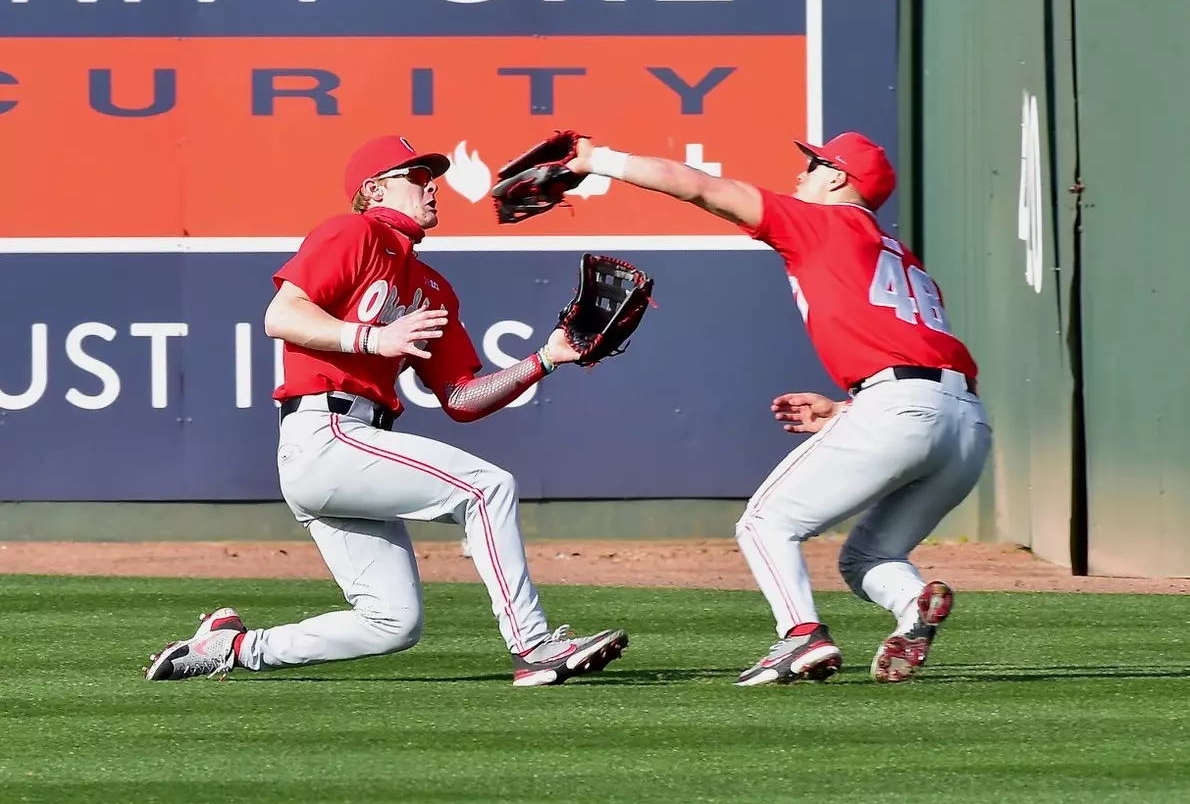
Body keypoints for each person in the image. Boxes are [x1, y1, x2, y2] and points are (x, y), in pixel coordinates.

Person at [144, 135, 629, 687]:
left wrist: (545, 358)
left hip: (351, 454)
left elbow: (461, 398)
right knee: (486, 488)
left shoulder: (432, 288)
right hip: (325, 432)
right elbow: (281, 315)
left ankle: (232, 648)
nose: (432, 187)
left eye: (433, 177)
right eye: (416, 177)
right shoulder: (353, 233)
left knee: (392, 623)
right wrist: (374, 339)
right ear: (374, 190)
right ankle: (535, 647)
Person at [564, 131, 991, 685]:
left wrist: (597, 160)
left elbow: (697, 186)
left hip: (900, 407)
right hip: (966, 424)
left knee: (767, 522)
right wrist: (847, 410)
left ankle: (801, 636)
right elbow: (916, 356)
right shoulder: (901, 256)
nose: (801, 173)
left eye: (813, 164)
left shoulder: (821, 222)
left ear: (837, 177)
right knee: (868, 556)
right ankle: (913, 606)